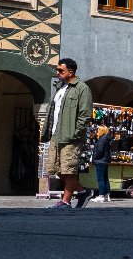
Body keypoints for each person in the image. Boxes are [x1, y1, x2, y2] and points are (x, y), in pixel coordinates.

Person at [42, 58, 93, 209]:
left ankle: (65, 202)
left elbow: (85, 114)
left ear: (70, 72)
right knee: (56, 170)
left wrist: (76, 132)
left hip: (71, 137)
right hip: (56, 136)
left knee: (69, 170)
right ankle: (83, 191)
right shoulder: (60, 89)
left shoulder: (82, 89)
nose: (57, 73)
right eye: (57, 70)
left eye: (60, 70)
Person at [90, 125, 115, 203]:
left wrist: (93, 159)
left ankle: (101, 195)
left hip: (100, 161)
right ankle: (107, 195)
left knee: (100, 179)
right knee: (105, 178)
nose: (96, 132)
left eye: (97, 130)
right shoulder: (106, 139)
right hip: (105, 161)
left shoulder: (102, 140)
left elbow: (99, 151)